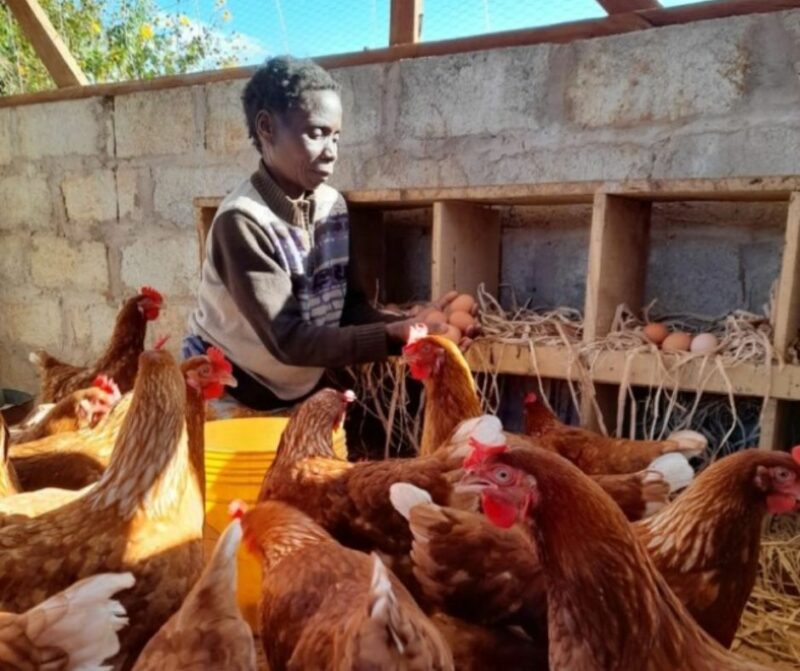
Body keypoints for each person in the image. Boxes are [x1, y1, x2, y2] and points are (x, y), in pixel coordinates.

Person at [184, 56, 458, 420]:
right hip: (230, 388)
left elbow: (349, 309)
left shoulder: (333, 207)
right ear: (266, 127)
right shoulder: (243, 222)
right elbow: (289, 340)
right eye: (316, 133)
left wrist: (411, 329)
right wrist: (391, 335)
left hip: (294, 385)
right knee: (234, 476)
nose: (331, 152)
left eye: (336, 136)